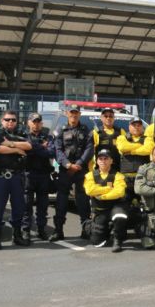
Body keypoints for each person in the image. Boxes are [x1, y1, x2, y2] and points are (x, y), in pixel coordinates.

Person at [0, 110, 32, 250]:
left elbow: (28, 146)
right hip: (1, 177)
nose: (10, 122)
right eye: (7, 119)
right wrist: (16, 149)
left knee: (19, 207)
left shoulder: (22, 133)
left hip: (17, 176)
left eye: (13, 120)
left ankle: (17, 236)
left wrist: (9, 143)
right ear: (2, 121)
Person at [50, 103, 94, 241]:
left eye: (76, 113)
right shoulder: (60, 130)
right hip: (65, 170)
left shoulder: (86, 130)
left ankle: (86, 230)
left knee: (83, 201)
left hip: (81, 170)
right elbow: (58, 149)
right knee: (61, 201)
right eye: (71, 113)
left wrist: (79, 163)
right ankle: (58, 231)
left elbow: (89, 148)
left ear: (79, 114)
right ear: (66, 114)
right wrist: (67, 164)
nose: (73, 115)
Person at [84, 149, 127, 251]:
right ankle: (106, 229)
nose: (103, 161)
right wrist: (108, 189)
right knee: (97, 243)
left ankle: (118, 240)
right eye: (101, 159)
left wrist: (102, 196)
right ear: (97, 161)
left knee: (120, 216)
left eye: (106, 159)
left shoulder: (118, 175)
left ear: (111, 161)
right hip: (100, 210)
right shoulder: (90, 175)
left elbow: (119, 192)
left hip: (114, 207)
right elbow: (89, 190)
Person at [22, 112, 54, 241]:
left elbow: (51, 153)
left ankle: (41, 230)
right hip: (28, 174)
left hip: (44, 175)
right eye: (33, 121)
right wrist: (41, 147)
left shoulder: (48, 136)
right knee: (26, 205)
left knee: (43, 206)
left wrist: (32, 149)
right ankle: (26, 231)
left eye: (38, 122)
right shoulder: (23, 136)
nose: (36, 124)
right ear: (28, 123)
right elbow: (24, 151)